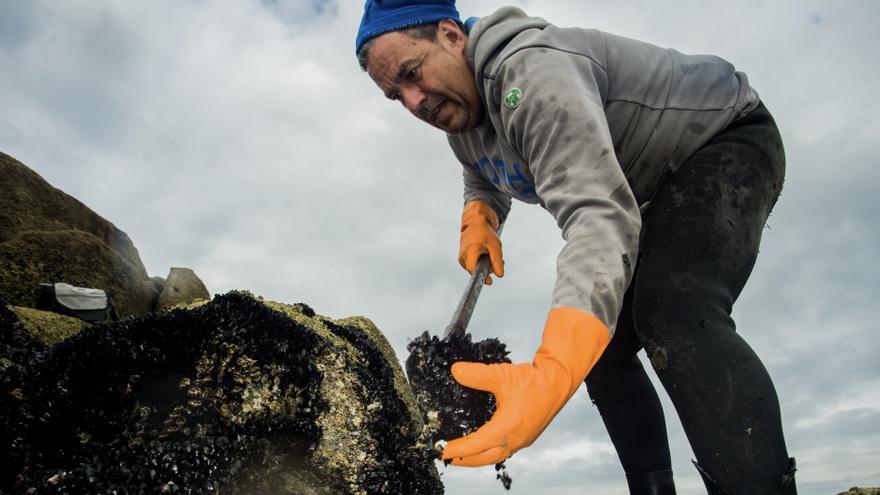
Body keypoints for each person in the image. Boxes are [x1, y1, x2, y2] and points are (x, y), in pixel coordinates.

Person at [355, 1, 797, 494]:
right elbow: (481, 168)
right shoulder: (461, 117)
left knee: (674, 307)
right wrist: (480, 213)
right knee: (603, 351)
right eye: (397, 96)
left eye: (412, 73)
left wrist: (553, 371)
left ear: (451, 36)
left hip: (723, 139)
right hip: (649, 191)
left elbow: (598, 215)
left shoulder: (533, 73)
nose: (415, 102)